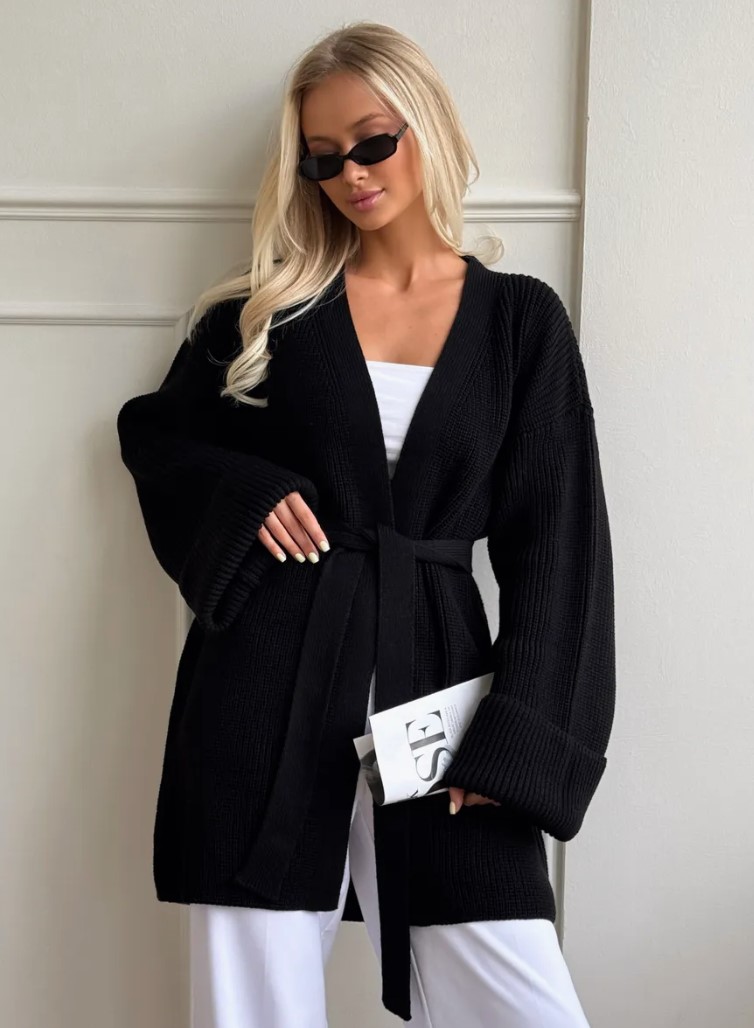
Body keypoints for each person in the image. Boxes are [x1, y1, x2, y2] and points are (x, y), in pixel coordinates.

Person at [116, 20, 615, 1027]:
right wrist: (247, 495)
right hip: (263, 690)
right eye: (321, 157)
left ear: (426, 125)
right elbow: (156, 437)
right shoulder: (267, 315)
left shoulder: (519, 322)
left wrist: (522, 744)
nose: (349, 173)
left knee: (524, 1001)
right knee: (253, 1008)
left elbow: (561, 553)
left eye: (372, 142)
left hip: (439, 697)